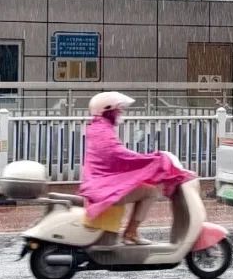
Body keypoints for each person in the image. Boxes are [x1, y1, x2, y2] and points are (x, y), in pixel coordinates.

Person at [79, 91, 193, 245]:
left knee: (145, 187)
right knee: (151, 191)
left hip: (99, 183)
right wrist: (154, 160)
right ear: (107, 110)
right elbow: (118, 155)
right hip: (102, 188)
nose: (120, 113)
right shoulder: (102, 130)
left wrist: (147, 159)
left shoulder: (98, 127)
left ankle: (130, 233)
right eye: (118, 110)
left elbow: (116, 155)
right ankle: (131, 233)